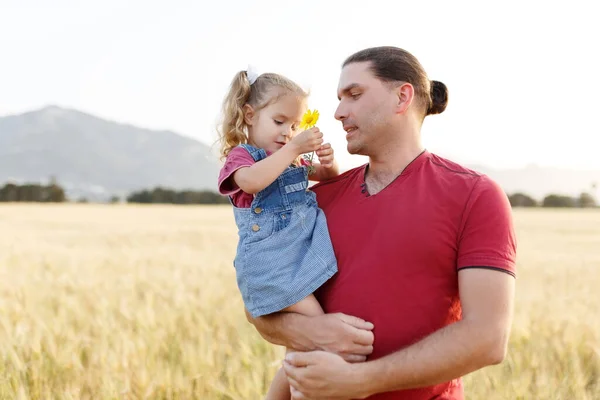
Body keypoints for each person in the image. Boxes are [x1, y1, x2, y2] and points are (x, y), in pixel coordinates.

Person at [245, 46, 517, 400]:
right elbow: (261, 305)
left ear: (402, 96)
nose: (339, 112)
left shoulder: (474, 195)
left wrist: (359, 381)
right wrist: (316, 331)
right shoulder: (318, 198)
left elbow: (488, 339)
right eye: (339, 99)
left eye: (354, 95)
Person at [216, 67, 357, 399]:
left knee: (299, 347)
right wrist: (293, 149)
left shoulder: (289, 157)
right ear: (249, 115)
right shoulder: (243, 157)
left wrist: (326, 162)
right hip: (271, 266)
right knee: (316, 336)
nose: (287, 132)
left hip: (298, 259)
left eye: (294, 126)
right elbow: (252, 181)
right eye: (279, 122)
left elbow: (325, 177)